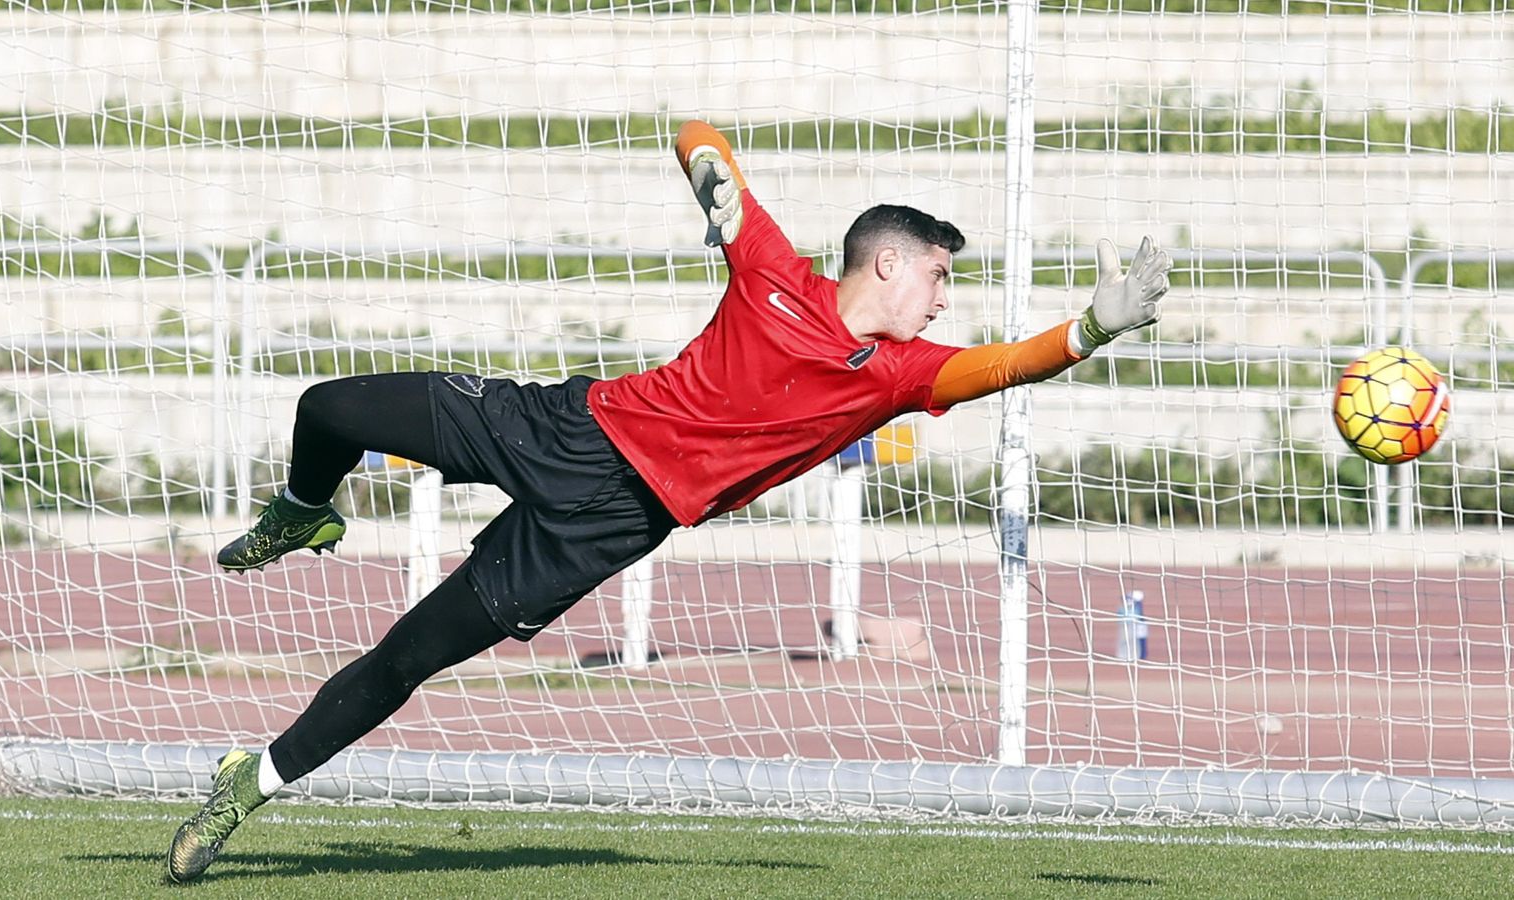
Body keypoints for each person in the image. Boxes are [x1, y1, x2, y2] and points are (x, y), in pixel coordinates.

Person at [166, 121, 1172, 882]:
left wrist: (1094, 326)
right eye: (938, 276)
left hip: (609, 524)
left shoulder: (901, 373)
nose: (944, 298)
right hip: (566, 426)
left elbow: (1008, 365)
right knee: (329, 405)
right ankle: (302, 509)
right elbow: (694, 132)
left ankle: (246, 784)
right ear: (888, 261)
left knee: (409, 657)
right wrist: (713, 188)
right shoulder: (772, 269)